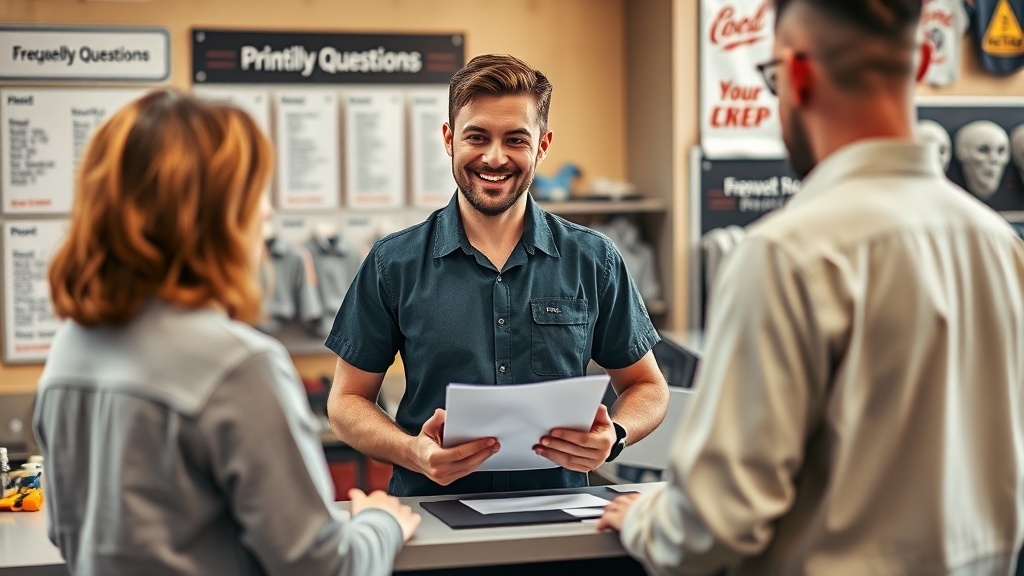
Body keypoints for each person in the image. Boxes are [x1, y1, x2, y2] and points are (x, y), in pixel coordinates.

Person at [598, 1, 1024, 574]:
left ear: (796, 76)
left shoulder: (786, 253)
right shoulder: (998, 245)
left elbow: (717, 523)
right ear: (922, 62)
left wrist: (646, 520)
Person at [33, 89, 420, 576]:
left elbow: (67, 532)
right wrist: (379, 523)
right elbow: (324, 568)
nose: (266, 215)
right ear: (211, 215)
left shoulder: (73, 346)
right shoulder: (238, 365)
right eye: (254, 194)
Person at [325, 54, 669, 497]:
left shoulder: (593, 259)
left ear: (542, 146)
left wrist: (615, 434)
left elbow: (647, 385)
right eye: (477, 136)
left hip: (557, 516)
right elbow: (346, 401)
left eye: (515, 140)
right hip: (431, 519)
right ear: (449, 139)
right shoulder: (394, 263)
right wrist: (413, 451)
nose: (494, 157)